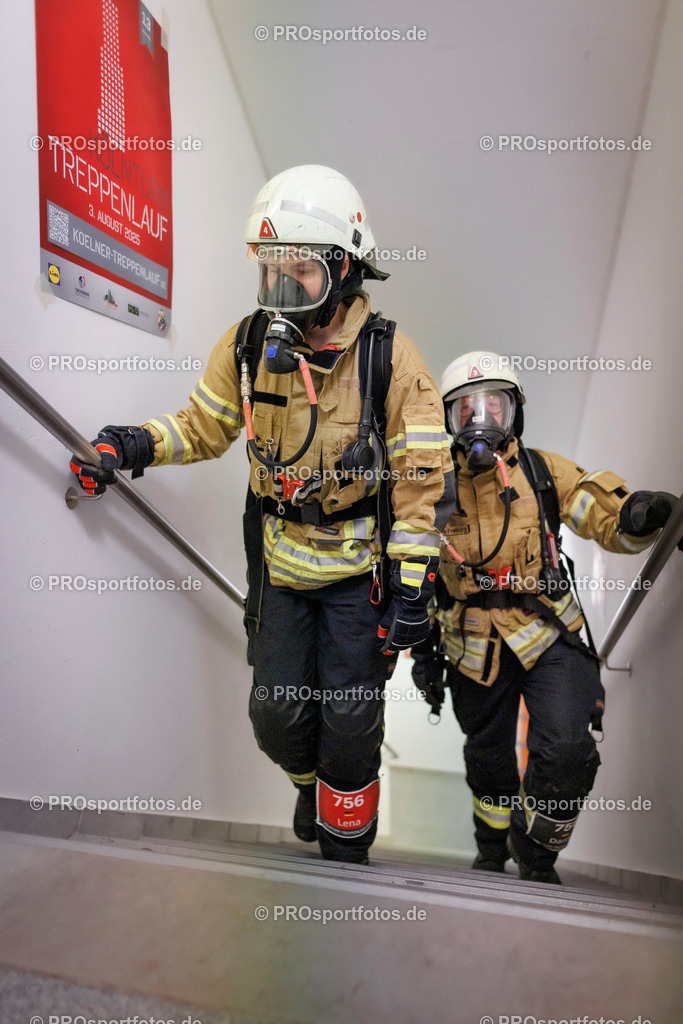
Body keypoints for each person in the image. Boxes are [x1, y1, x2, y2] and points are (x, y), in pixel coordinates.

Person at [70, 165, 455, 865]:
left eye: (299, 270)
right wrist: (134, 445)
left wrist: (412, 586)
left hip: (355, 576)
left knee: (349, 723)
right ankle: (308, 787)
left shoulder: (390, 360)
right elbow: (204, 425)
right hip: (280, 567)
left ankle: (346, 848)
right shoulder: (248, 346)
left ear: (343, 268)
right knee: (276, 717)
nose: (281, 287)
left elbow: (422, 480)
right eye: (271, 268)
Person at [411, 351, 680, 883]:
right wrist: (421, 653)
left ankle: (535, 857)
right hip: (471, 647)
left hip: (548, 633)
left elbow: (605, 516)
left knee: (568, 751)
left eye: (494, 405)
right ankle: (491, 848)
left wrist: (639, 513)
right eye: (465, 409)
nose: (480, 420)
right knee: (488, 760)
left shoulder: (542, 473)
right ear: (448, 420)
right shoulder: (432, 487)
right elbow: (412, 572)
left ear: (516, 413)